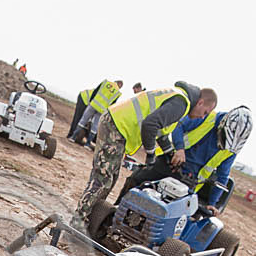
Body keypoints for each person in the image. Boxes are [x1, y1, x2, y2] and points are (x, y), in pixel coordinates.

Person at [71, 83, 218, 228]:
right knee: (103, 178)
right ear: (200, 102)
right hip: (116, 125)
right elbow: (150, 124)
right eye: (205, 112)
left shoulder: (179, 98)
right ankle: (79, 219)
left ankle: (89, 218)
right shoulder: (181, 104)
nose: (202, 117)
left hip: (117, 124)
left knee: (110, 178)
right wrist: (150, 154)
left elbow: (160, 131)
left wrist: (169, 152)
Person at [115, 106, 253, 211]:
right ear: (223, 124)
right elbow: (179, 127)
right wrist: (180, 149)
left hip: (190, 181)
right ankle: (116, 210)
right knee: (136, 180)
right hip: (170, 162)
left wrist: (212, 204)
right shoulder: (206, 117)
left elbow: (222, 177)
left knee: (176, 214)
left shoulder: (231, 149)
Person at [70, 80, 123, 146]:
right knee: (95, 127)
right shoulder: (118, 92)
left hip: (93, 104)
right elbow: (112, 104)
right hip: (101, 110)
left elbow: (95, 92)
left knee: (83, 120)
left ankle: (73, 137)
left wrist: (90, 102)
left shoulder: (106, 82)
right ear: (120, 85)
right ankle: (87, 144)